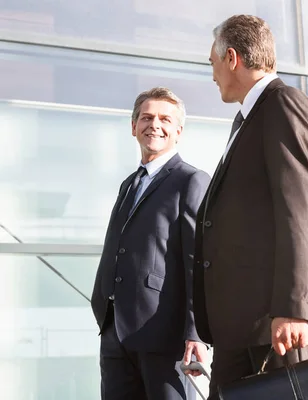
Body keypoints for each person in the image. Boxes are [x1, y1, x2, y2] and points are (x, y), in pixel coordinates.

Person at [191, 15, 308, 398]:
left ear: (231, 57)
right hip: (244, 323)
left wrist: (294, 307)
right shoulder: (246, 120)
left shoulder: (283, 104)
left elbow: (302, 211)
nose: (212, 73)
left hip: (277, 323)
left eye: (211, 62)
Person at [91, 87, 211, 400]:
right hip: (115, 332)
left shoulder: (191, 181)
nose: (154, 124)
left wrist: (196, 332)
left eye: (164, 119)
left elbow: (197, 260)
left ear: (178, 131)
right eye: (146, 117)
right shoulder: (128, 184)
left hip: (164, 335)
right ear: (133, 127)